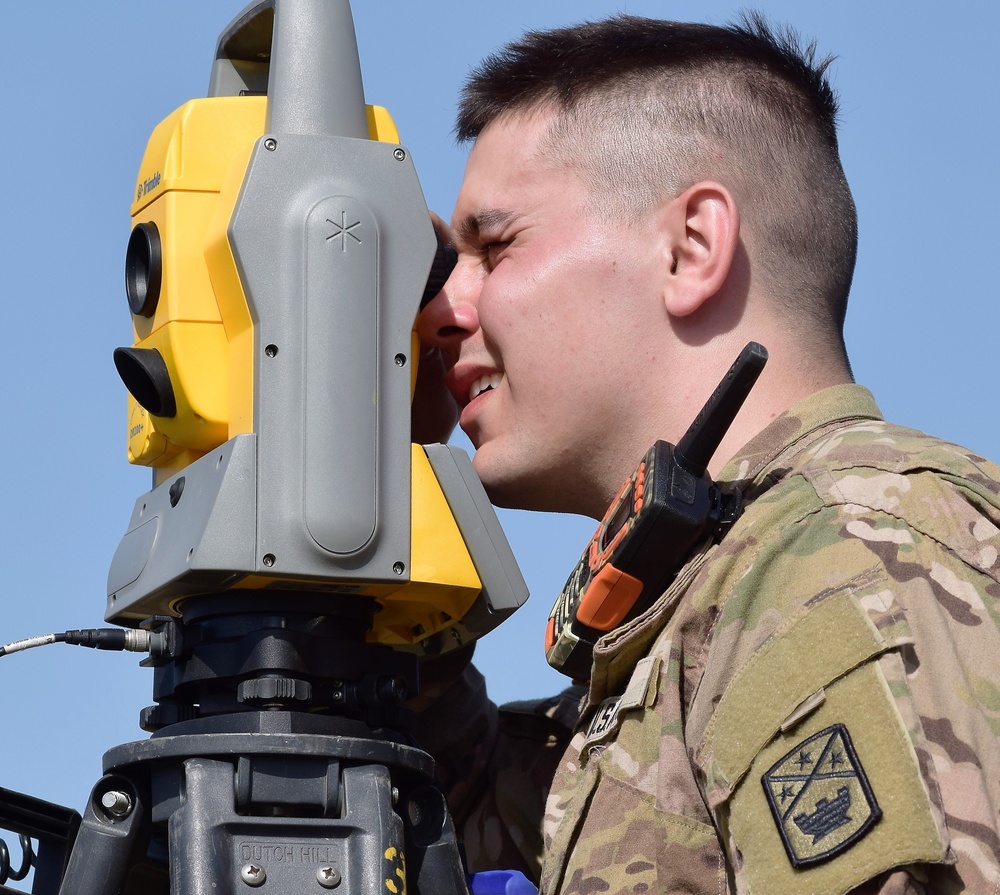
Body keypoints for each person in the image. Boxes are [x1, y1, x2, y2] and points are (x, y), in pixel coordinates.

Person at [411, 12, 1000, 895]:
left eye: (494, 248)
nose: (445, 311)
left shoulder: (845, 557)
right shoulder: (705, 596)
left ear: (691, 247)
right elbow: (462, 811)